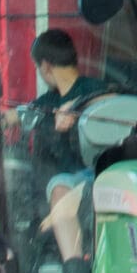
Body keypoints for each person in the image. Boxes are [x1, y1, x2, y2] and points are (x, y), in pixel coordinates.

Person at [25, 28, 108, 173]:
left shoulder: (94, 89)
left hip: (90, 180)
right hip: (52, 181)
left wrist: (76, 106)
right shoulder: (50, 99)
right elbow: (20, 113)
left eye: (37, 67)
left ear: (45, 67)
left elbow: (121, 100)